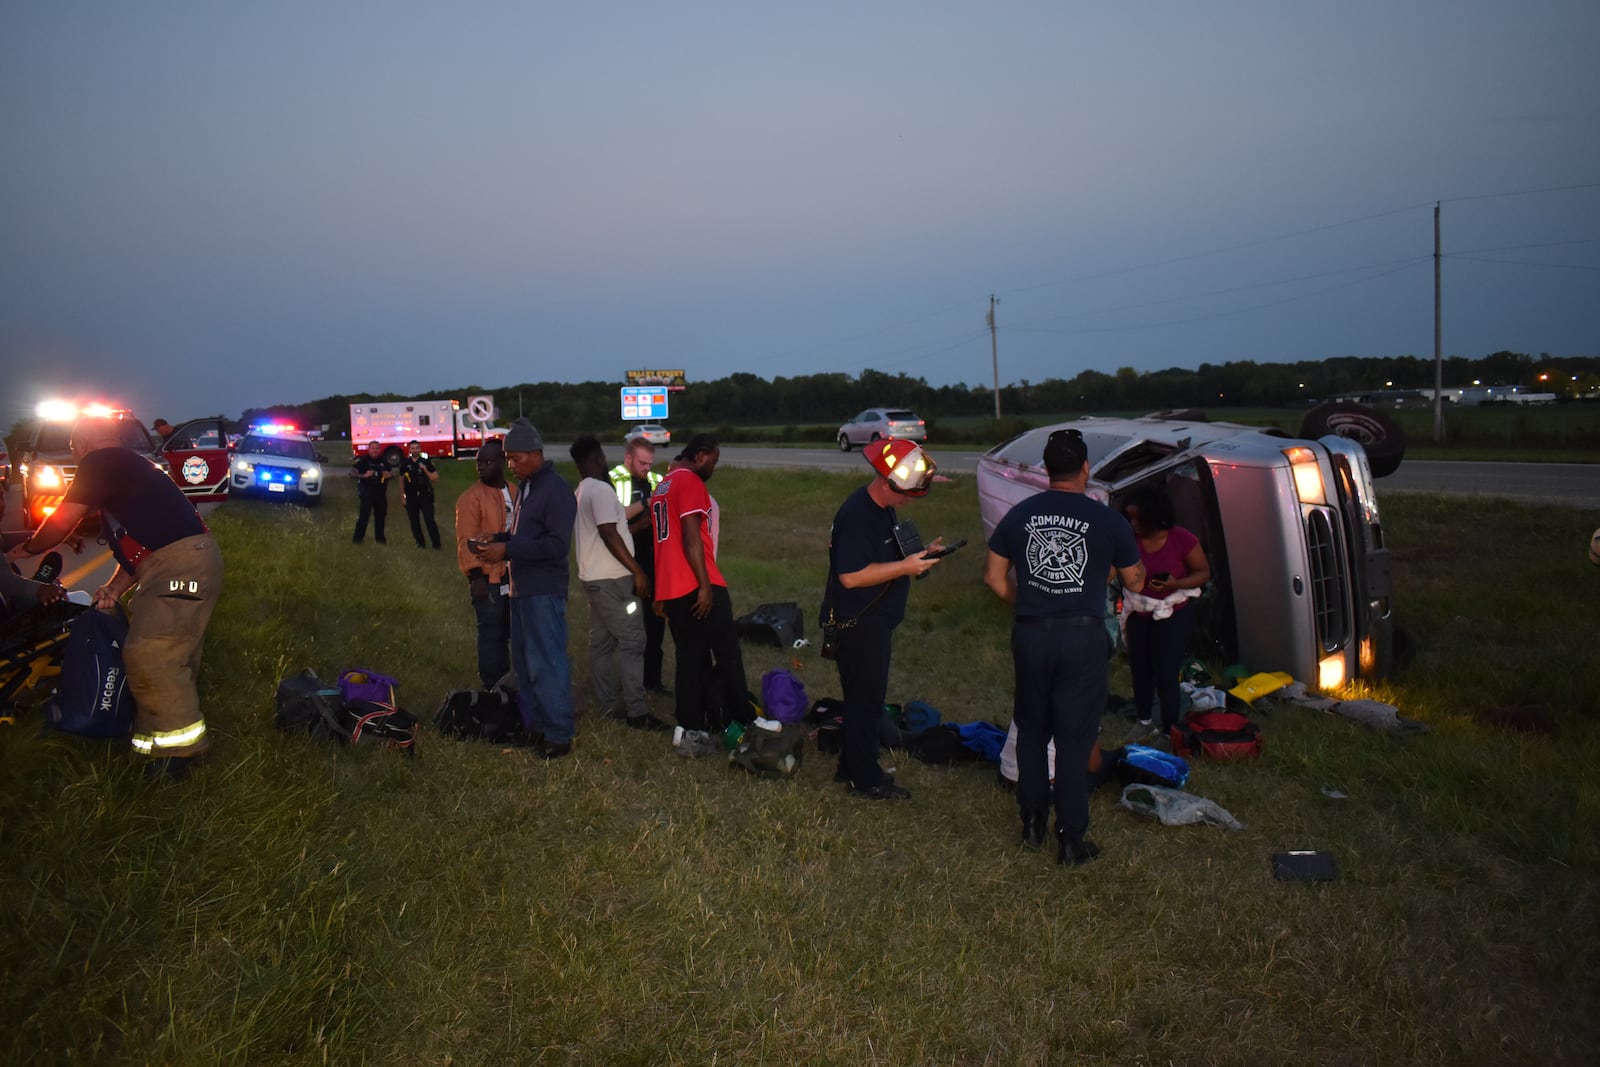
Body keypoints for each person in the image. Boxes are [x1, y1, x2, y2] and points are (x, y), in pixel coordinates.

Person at [5, 415, 224, 778]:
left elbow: (61, 522)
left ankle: (182, 755)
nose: (74, 453)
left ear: (81, 443)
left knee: (152, 654)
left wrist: (26, 549)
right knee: (165, 652)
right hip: (176, 563)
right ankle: (155, 742)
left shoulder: (100, 461)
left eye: (74, 446)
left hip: (181, 566)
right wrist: (114, 587)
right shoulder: (126, 467)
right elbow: (142, 549)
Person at [984, 428, 1144, 865]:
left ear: (1046, 470)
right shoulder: (1108, 520)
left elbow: (994, 579)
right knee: (1074, 741)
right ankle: (1071, 839)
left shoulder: (1019, 515)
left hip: (1032, 635)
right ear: (1087, 469)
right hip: (1082, 638)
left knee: (1033, 732)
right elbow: (1134, 580)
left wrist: (1032, 604)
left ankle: (1032, 822)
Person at [820, 438, 945, 799]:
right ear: (887, 482)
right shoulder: (858, 515)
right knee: (866, 703)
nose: (909, 501)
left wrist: (919, 557)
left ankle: (851, 766)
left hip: (874, 620)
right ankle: (865, 779)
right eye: (906, 494)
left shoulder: (881, 509)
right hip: (859, 624)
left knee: (863, 699)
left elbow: (884, 557)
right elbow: (851, 576)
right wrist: (905, 567)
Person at [471, 418, 576, 759]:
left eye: (515, 458)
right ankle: (535, 728)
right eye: (508, 459)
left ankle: (559, 735)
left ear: (535, 453)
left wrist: (508, 550)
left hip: (543, 591)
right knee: (525, 663)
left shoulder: (555, 489)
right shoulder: (528, 487)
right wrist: (498, 539)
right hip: (520, 589)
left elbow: (556, 545)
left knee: (546, 662)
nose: (510, 466)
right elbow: (523, 538)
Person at [652, 434, 753, 757]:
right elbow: (691, 537)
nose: (714, 466)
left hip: (672, 588)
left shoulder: (662, 486)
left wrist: (660, 592)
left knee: (690, 661)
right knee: (728, 656)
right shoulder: (690, 481)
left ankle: (688, 728)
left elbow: (660, 545)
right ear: (699, 456)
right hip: (698, 584)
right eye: (714, 460)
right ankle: (746, 721)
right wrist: (705, 584)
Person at [572, 436, 668, 732]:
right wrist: (637, 571)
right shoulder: (600, 489)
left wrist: (641, 525)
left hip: (595, 580)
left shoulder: (582, 490)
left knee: (600, 645)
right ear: (598, 459)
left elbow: (615, 528)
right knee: (632, 640)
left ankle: (609, 707)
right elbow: (608, 533)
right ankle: (638, 712)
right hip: (613, 582)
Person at [1120, 484, 1211, 733]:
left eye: (1139, 518)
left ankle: (1171, 728)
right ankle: (1144, 720)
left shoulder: (1181, 539)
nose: (1134, 524)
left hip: (1173, 612)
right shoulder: (1128, 540)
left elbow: (1202, 573)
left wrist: (1175, 583)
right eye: (1130, 518)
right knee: (1140, 667)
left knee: (1166, 671)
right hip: (1139, 610)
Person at [609, 438, 668, 694]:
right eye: (642, 462)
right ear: (629, 458)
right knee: (631, 626)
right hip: (626, 562)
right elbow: (611, 520)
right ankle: (631, 682)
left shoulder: (656, 480)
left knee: (656, 624)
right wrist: (645, 505)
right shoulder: (613, 479)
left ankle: (653, 681)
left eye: (650, 463)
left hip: (655, 560)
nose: (647, 468)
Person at [455, 438, 513, 689]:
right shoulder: (470, 499)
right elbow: (465, 540)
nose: (481, 467)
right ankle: (492, 687)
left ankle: (510, 683)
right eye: (479, 463)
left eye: (488, 461)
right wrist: (475, 577)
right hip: (487, 579)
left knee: (511, 633)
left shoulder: (515, 491)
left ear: (502, 462)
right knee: (491, 634)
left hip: (514, 576)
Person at [399, 440, 442, 549]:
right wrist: (402, 496)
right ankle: (420, 543)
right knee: (414, 521)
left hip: (425, 495)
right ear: (409, 450)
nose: (415, 450)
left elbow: (435, 478)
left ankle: (436, 545)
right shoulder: (405, 463)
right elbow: (401, 479)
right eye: (412, 448)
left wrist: (425, 469)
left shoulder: (426, 461)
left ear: (420, 449)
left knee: (429, 519)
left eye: (417, 448)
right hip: (411, 496)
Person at [350, 442, 391, 544]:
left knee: (380, 518)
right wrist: (364, 475)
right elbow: (351, 473)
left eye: (377, 448)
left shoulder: (383, 460)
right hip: (367, 493)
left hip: (381, 494)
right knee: (364, 517)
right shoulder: (364, 460)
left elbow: (391, 473)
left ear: (380, 449)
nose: (375, 451)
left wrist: (388, 474)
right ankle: (357, 540)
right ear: (369, 449)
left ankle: (380, 540)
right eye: (373, 448)